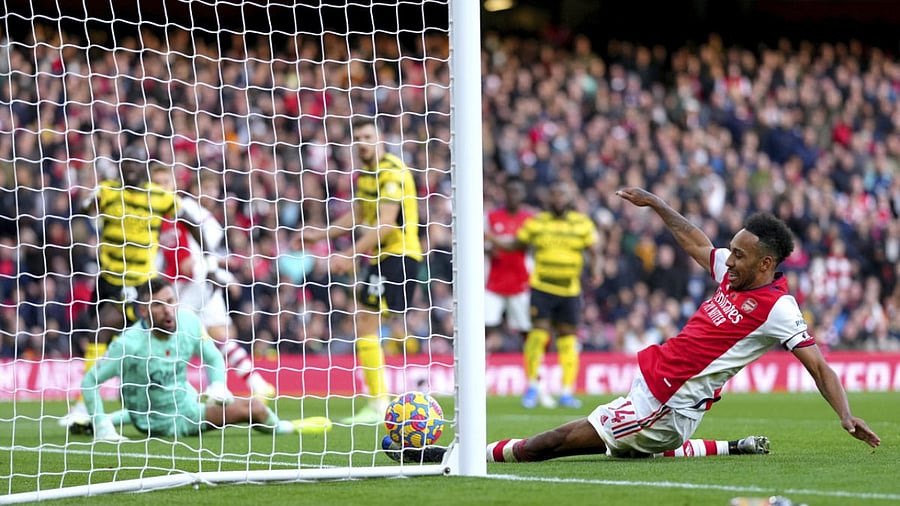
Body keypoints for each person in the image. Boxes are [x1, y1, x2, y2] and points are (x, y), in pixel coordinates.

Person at [481, 187, 880, 463]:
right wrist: (656, 204)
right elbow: (696, 242)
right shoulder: (733, 273)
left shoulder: (778, 308)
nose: (728, 260)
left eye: (738, 255)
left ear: (765, 265)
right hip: (654, 389)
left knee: (549, 444)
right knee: (630, 448)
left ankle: (470, 454)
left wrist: (845, 415)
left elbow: (818, 366)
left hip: (664, 408)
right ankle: (732, 447)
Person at [62, 145, 221, 426]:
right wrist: (89, 201)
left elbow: (191, 222)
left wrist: (209, 260)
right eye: (128, 163)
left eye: (137, 163)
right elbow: (86, 211)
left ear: (145, 167)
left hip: (143, 282)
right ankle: (88, 405)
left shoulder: (159, 196)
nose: (132, 168)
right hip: (110, 279)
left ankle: (93, 405)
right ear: (121, 166)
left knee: (111, 330)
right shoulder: (109, 191)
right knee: (101, 334)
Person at [74, 276, 329, 441]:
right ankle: (284, 427)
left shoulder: (188, 322)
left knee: (186, 389)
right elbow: (89, 381)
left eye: (171, 301)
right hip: (173, 420)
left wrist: (218, 384)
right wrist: (103, 428)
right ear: (142, 310)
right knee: (256, 407)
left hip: (169, 402)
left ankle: (100, 421)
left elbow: (214, 357)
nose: (167, 310)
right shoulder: (128, 343)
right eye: (157, 305)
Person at [296, 118, 423, 424]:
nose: (362, 142)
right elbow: (357, 216)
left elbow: (385, 223)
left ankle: (395, 399)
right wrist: (322, 234)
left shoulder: (391, 171)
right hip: (379, 258)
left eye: (368, 136)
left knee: (381, 324)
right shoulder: (365, 175)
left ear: (380, 140)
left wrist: (349, 254)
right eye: (358, 138)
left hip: (399, 256)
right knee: (367, 323)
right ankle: (381, 402)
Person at [151, 166, 276, 402]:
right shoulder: (174, 210)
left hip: (196, 281)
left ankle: (187, 389)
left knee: (193, 334)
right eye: (205, 188)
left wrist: (217, 273)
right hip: (184, 282)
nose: (211, 193)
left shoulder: (191, 212)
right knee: (212, 335)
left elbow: (199, 245)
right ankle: (245, 385)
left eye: (213, 188)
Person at [487, 180, 602, 409]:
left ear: (569, 198)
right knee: (537, 336)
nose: (559, 199)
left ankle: (567, 392)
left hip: (569, 289)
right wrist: (489, 237)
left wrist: (596, 270)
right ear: (549, 199)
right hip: (541, 288)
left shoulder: (582, 224)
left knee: (568, 339)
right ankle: (532, 386)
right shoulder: (537, 223)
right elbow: (515, 246)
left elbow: (594, 249)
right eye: (555, 195)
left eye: (563, 195)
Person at [484, 176, 534, 356]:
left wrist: (493, 240)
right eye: (510, 191)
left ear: (522, 194)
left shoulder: (530, 220)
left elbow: (527, 246)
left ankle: (531, 371)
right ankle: (483, 366)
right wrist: (488, 248)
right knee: (485, 327)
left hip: (520, 283)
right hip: (493, 282)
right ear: (504, 193)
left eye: (517, 192)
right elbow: (480, 242)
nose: (513, 195)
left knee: (526, 330)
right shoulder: (491, 217)